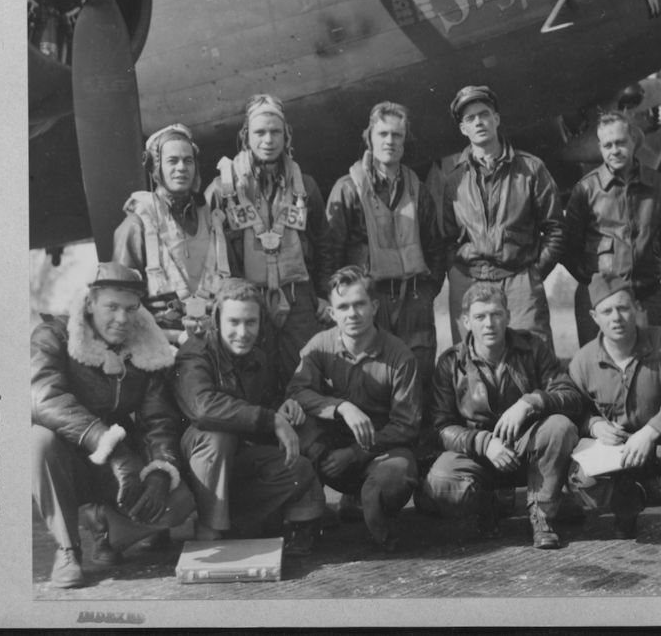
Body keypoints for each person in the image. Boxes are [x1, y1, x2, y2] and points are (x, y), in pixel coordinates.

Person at [32, 263, 195, 588]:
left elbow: (158, 421)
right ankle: (68, 550)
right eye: (112, 307)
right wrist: (113, 448)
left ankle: (107, 530)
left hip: (121, 470)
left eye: (131, 309)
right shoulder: (52, 336)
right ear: (89, 303)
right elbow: (43, 398)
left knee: (181, 503)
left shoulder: (146, 347)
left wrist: (161, 473)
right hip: (70, 459)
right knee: (40, 441)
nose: (123, 319)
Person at [319, 101, 445, 473]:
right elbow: (331, 250)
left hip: (413, 300)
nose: (390, 141)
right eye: (383, 134)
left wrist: (428, 290)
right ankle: (364, 475)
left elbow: (435, 244)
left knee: (418, 380)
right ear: (369, 139)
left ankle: (419, 474)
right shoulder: (347, 188)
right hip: (369, 303)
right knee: (367, 384)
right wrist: (336, 301)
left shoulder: (417, 187)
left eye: (398, 136)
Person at [560, 274, 661, 553]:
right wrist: (594, 425)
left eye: (623, 308)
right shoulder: (583, 361)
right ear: (594, 316)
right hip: (618, 452)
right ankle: (627, 504)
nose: (616, 317)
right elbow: (573, 408)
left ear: (637, 308)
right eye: (607, 311)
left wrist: (651, 431)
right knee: (581, 473)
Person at [422, 283, 580, 548]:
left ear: (508, 316)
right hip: (478, 457)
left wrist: (531, 402)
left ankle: (542, 514)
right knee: (440, 480)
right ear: (465, 322)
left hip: (528, 450)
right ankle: (486, 506)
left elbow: (570, 395)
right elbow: (440, 427)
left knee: (559, 426)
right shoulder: (450, 363)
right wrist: (484, 443)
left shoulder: (533, 348)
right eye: (480, 317)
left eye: (496, 314)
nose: (489, 323)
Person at [174, 278, 325, 550]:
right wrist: (270, 419)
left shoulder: (258, 358)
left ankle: (237, 520)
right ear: (218, 319)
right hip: (193, 463)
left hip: (235, 460)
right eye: (234, 322)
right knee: (217, 437)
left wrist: (282, 408)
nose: (242, 332)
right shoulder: (195, 353)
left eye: (250, 323)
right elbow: (203, 407)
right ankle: (209, 529)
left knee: (298, 468)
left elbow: (266, 400)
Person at [287, 266, 421, 551]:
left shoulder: (400, 356)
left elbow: (407, 425)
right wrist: (341, 407)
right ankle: (308, 520)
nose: (352, 313)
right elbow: (297, 392)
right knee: (295, 422)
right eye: (343, 307)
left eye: (359, 304)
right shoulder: (319, 346)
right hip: (329, 454)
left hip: (378, 453)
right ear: (332, 313)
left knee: (397, 473)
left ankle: (378, 523)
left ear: (373, 306)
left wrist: (356, 453)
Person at [206, 93, 329, 380]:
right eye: (260, 132)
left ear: (286, 136)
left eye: (275, 132)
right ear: (246, 136)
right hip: (248, 301)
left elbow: (324, 243)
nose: (268, 140)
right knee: (254, 376)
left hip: (298, 299)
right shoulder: (222, 191)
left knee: (306, 374)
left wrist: (322, 295)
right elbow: (214, 255)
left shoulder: (306, 187)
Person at [442, 85, 564, 349]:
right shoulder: (453, 180)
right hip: (470, 278)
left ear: (496, 119)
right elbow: (446, 237)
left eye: (484, 114)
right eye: (470, 118)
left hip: (519, 278)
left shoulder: (531, 169)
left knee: (533, 355)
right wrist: (458, 273)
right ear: (463, 129)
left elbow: (555, 228)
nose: (479, 122)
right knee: (470, 363)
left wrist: (533, 273)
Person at [562, 110, 661, 342]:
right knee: (599, 370)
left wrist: (648, 271)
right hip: (597, 297)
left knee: (650, 367)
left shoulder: (658, 184)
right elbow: (569, 247)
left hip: (646, 295)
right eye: (607, 145)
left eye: (620, 143)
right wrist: (594, 282)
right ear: (600, 147)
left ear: (633, 141)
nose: (614, 150)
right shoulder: (585, 189)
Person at [113, 123, 231, 345]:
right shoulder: (135, 226)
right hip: (162, 342)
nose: (181, 168)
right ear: (155, 168)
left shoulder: (212, 218)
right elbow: (120, 301)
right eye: (172, 161)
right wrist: (175, 338)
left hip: (214, 335)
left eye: (188, 160)